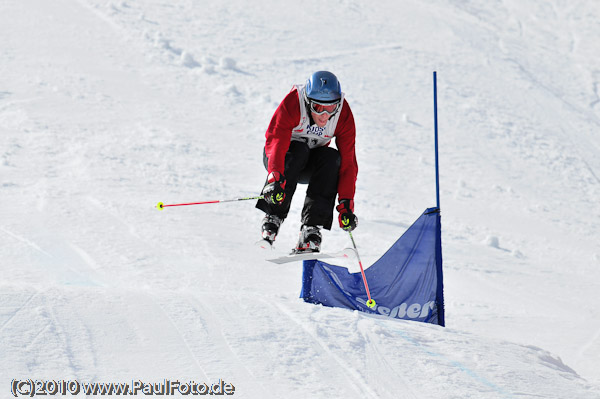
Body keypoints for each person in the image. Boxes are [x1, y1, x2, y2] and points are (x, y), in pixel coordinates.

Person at [256, 71, 359, 253]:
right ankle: (273, 217)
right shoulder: (294, 103)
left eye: (331, 108)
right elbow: (276, 141)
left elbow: (348, 163)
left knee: (332, 157)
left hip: (310, 164)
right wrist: (274, 179)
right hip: (280, 159)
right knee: (298, 149)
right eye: (319, 108)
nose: (325, 115)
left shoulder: (343, 115)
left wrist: (346, 204)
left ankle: (311, 230)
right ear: (308, 101)